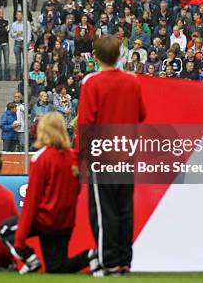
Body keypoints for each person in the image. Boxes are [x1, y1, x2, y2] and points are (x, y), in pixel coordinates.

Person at [76, 35, 146, 276]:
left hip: (102, 154)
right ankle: (124, 260)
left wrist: (79, 157)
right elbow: (141, 115)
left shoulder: (91, 82)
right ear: (119, 56)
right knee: (124, 209)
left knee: (103, 210)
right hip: (126, 152)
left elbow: (85, 123)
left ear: (95, 57)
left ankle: (108, 262)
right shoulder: (132, 82)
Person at [0, 112, 98, 274]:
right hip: (65, 222)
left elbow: (32, 201)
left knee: (3, 230)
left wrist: (20, 239)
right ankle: (91, 255)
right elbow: (76, 191)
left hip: (45, 220)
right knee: (56, 267)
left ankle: (30, 260)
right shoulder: (73, 158)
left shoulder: (41, 158)